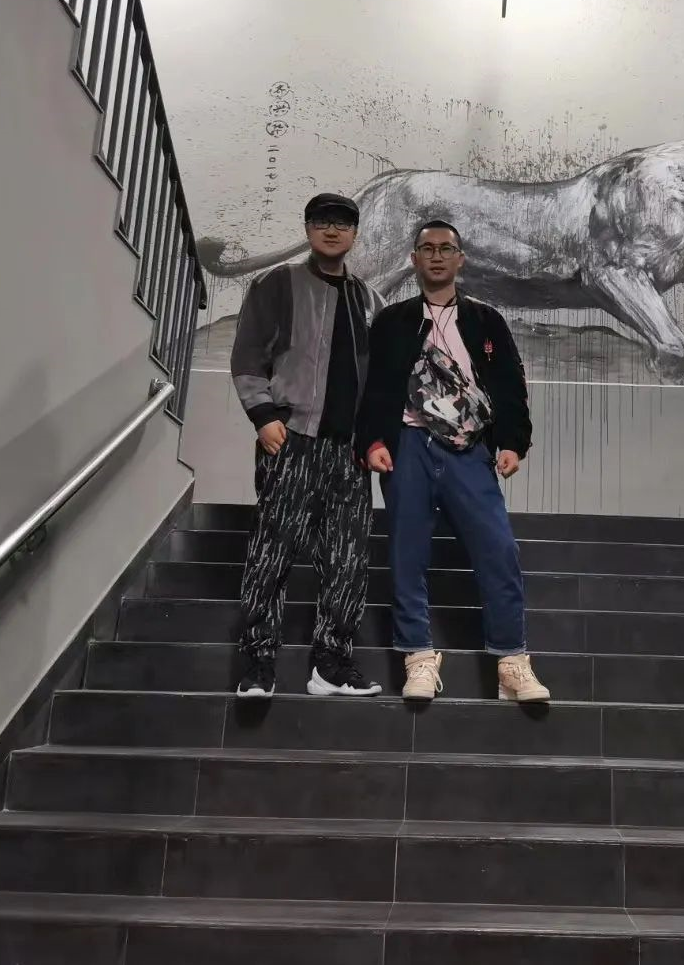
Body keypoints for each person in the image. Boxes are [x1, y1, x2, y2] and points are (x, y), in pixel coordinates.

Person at [359, 219, 550, 704]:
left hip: (469, 449)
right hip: (407, 445)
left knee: (498, 550)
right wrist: (373, 440)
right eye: (428, 248)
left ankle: (511, 662)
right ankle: (418, 658)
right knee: (407, 554)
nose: (437, 256)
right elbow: (374, 385)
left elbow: (508, 384)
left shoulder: (485, 320)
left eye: (446, 249)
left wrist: (513, 442)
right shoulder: (393, 320)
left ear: (461, 259)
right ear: (414, 259)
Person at [230, 192, 384, 699]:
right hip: (290, 439)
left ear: (354, 233)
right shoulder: (278, 283)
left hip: (349, 452)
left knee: (347, 560)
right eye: (321, 221)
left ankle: (331, 663)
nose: (332, 230)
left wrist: (373, 437)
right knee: (272, 552)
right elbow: (248, 353)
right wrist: (263, 415)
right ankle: (258, 662)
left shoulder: (369, 299)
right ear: (308, 228)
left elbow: (379, 378)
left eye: (342, 223)